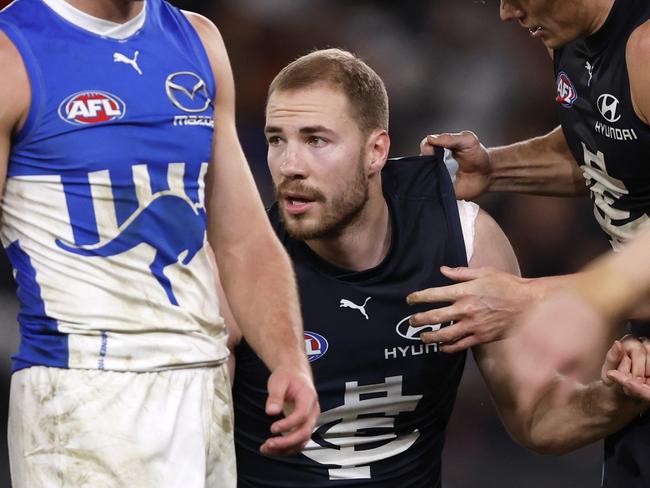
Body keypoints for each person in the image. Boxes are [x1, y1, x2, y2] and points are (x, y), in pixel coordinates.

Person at [225, 48, 648, 488]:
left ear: (376, 151)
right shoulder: (236, 265)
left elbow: (537, 420)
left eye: (316, 140)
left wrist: (615, 397)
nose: (290, 166)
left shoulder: (463, 240)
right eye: (277, 140)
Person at [0, 1, 318, 486]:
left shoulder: (197, 40)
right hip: (84, 387)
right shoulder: (11, 52)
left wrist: (289, 359)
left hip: (203, 381)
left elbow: (243, 239)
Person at [414, 0, 650, 485]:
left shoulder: (645, 48)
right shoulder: (568, 37)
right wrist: (496, 168)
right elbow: (608, 148)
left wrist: (529, 299)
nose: (505, 12)